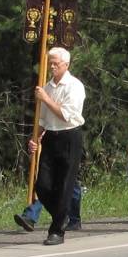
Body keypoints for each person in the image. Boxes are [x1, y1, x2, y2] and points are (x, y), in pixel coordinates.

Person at [30, 46, 87, 245]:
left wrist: (45, 99)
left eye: (56, 63)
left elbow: (66, 114)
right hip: (50, 137)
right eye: (50, 63)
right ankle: (61, 217)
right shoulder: (46, 87)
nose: (52, 67)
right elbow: (42, 119)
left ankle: (56, 232)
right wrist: (35, 138)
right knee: (43, 185)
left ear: (66, 64)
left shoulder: (75, 86)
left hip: (69, 136)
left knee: (64, 185)